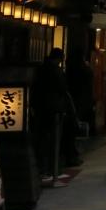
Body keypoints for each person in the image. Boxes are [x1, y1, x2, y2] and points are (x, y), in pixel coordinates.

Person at [31, 47, 76, 179]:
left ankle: (42, 168)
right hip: (54, 108)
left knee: (41, 139)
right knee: (53, 139)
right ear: (59, 59)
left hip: (40, 107)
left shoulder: (40, 69)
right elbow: (63, 88)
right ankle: (51, 169)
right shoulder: (56, 71)